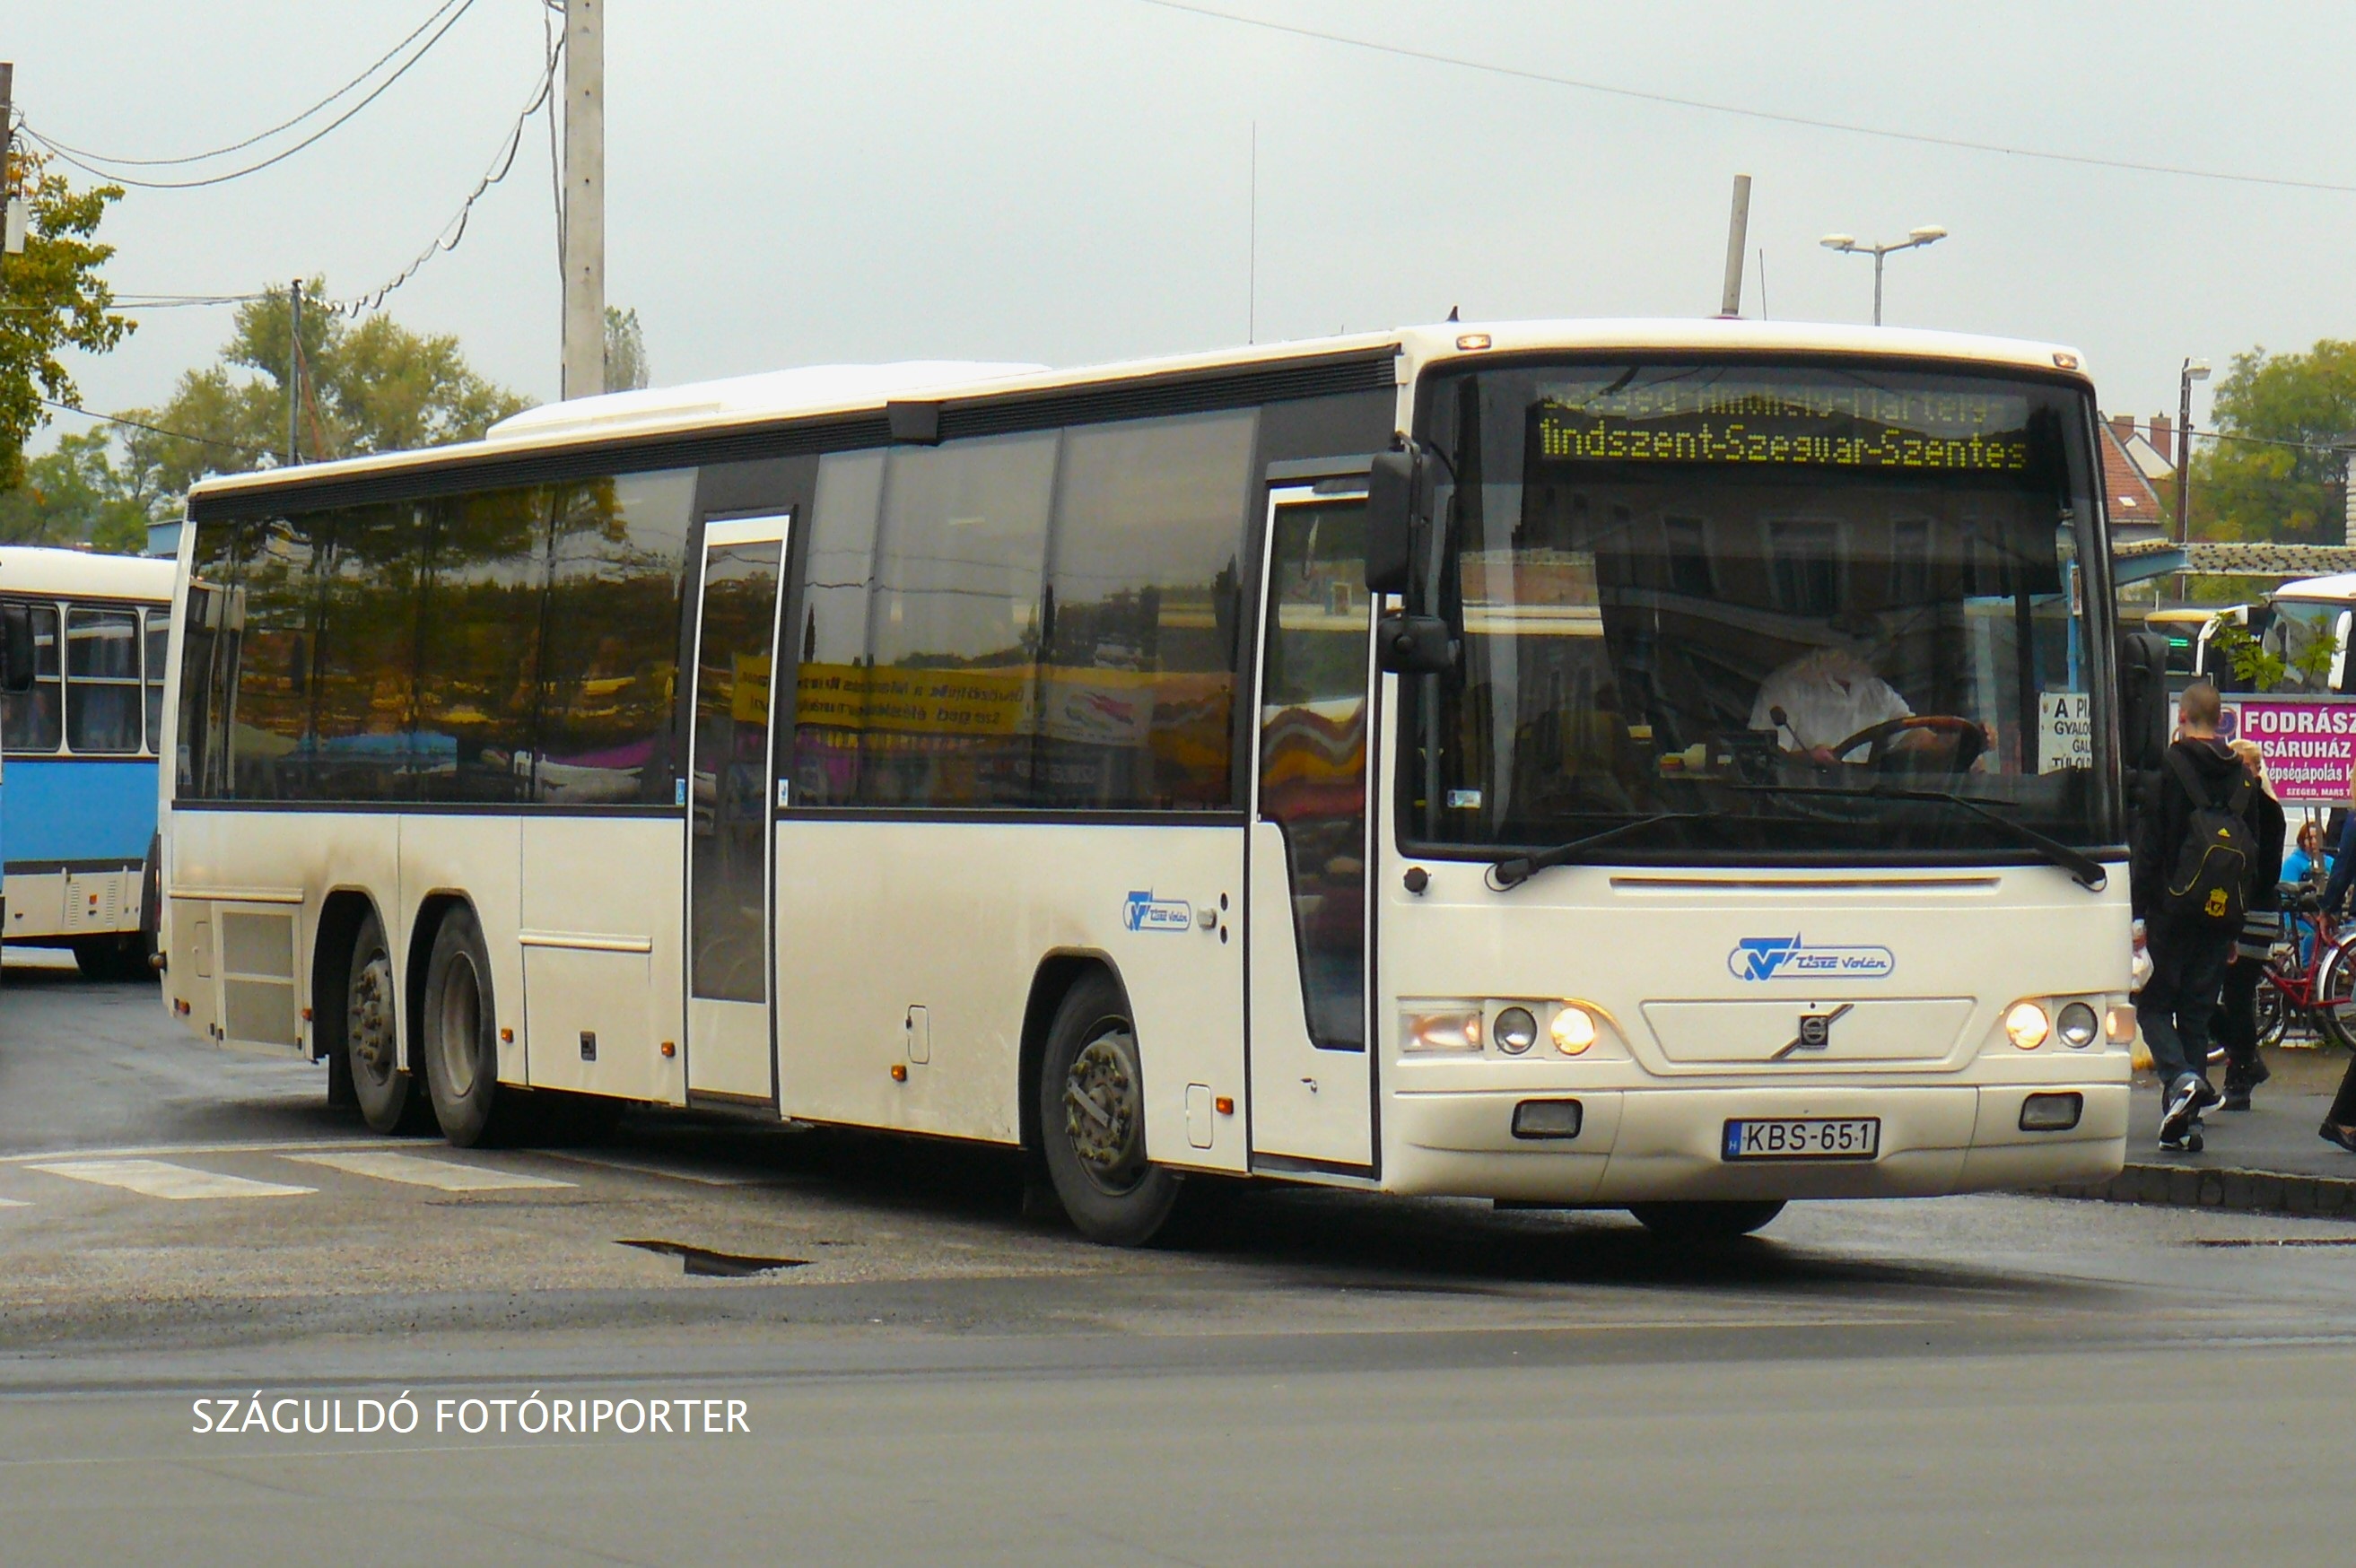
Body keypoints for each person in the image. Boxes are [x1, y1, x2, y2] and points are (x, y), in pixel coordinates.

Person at [2131, 681, 2264, 1151]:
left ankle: (2182, 1079)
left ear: (2182, 717)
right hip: (2220, 914)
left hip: (2171, 912)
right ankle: (2187, 1122)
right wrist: (2235, 924)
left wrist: (2136, 915)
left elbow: (2150, 848)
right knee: (2195, 1012)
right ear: (2220, 719)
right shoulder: (2244, 777)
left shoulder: (2169, 768)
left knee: (2150, 1005)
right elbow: (2255, 857)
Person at [2212, 739, 2285, 1112]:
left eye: (2244, 768)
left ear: (2256, 770)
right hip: (2232, 910)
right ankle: (2246, 1058)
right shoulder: (2232, 807)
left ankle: (2241, 1071)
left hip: (2254, 912)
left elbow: (2268, 870)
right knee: (2218, 994)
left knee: (2237, 994)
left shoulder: (2268, 811)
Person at [1749, 613, 1913, 763]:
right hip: (1801, 792)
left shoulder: (1879, 693)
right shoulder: (1785, 686)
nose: (1867, 663)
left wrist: (1936, 743)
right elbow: (1764, 757)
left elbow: (1914, 734)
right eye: (1858, 655)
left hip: (1866, 792)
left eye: (1874, 658)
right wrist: (1808, 758)